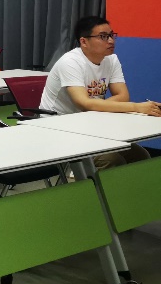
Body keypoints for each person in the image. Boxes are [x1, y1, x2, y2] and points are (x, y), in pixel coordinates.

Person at [40, 16, 160, 169]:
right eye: (103, 36)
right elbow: (84, 103)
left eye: (111, 35)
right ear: (84, 41)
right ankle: (81, 179)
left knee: (140, 155)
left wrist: (96, 106)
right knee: (111, 159)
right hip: (59, 127)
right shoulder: (70, 62)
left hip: (91, 125)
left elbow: (123, 96)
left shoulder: (111, 59)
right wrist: (137, 107)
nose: (110, 41)